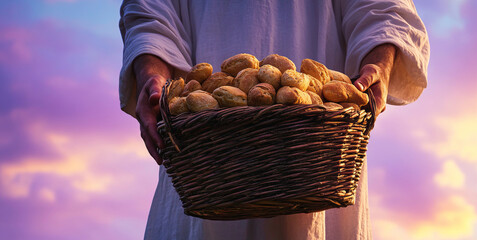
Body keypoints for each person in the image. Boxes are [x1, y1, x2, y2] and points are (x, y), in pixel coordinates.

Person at [118, 0, 429, 239]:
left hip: (321, 150)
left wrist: (379, 64)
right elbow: (150, 13)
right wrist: (152, 75)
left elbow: (385, 9)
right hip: (201, 154)